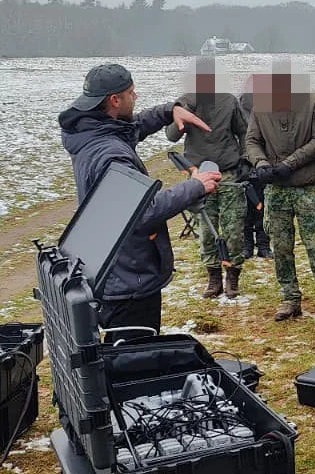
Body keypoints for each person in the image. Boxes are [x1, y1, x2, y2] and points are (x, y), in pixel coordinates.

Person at [57, 63, 220, 340]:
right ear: (115, 100)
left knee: (123, 358)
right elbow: (143, 213)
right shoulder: (110, 154)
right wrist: (196, 186)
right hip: (127, 278)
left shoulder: (92, 131)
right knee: (131, 360)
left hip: (113, 268)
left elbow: (131, 129)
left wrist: (170, 111)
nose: (137, 97)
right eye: (132, 93)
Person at [244, 69, 315, 322]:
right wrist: (260, 163)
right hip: (276, 190)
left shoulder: (311, 104)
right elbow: (251, 140)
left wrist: (290, 164)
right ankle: (289, 298)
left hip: (306, 187)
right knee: (281, 247)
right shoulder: (261, 108)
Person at [166, 58, 250, 299]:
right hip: (199, 176)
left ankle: (233, 277)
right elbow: (171, 135)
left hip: (229, 174)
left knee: (233, 230)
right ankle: (213, 278)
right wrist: (181, 116)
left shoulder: (228, 101)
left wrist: (245, 159)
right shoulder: (186, 104)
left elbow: (244, 131)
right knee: (206, 231)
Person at [237, 78, 271, 261]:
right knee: (246, 210)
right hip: (242, 166)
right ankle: (247, 246)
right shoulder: (237, 109)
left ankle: (264, 246)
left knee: (262, 207)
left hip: (263, 164)